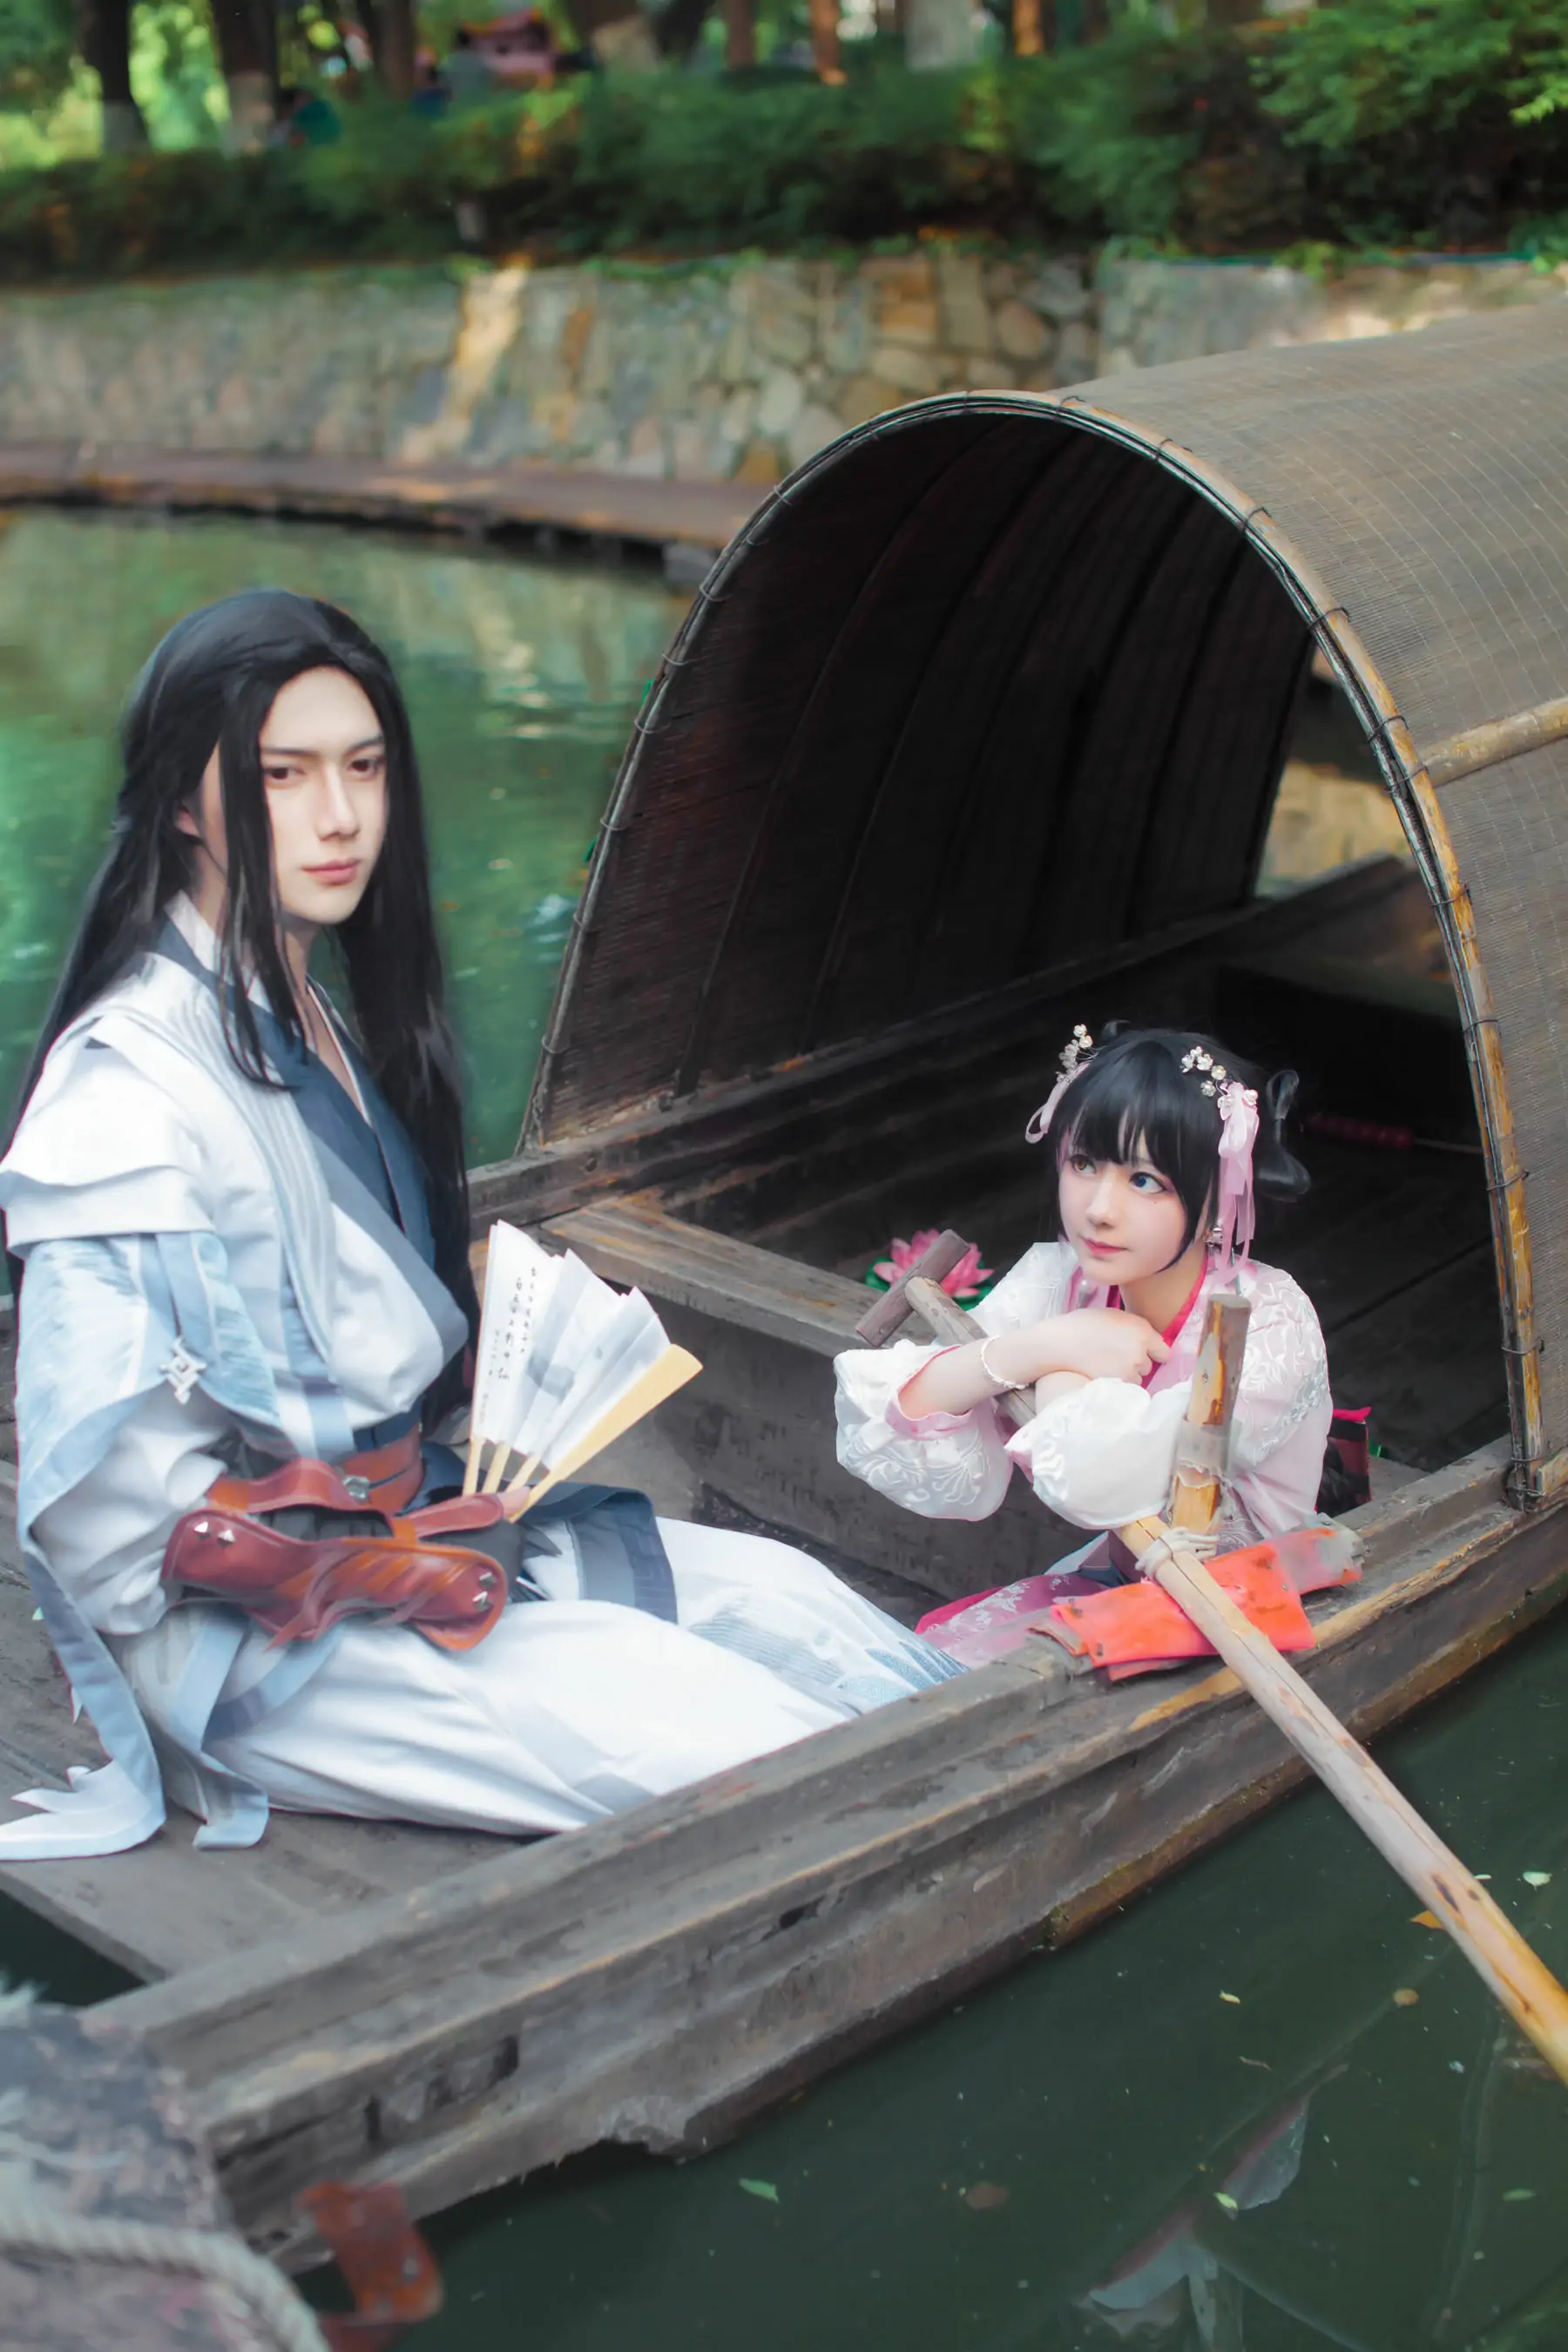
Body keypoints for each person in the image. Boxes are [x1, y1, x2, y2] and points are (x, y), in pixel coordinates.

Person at [0, 591, 957, 1860]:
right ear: (184, 799)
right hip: (260, 1641)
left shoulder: (309, 1012)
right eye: (283, 775)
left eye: (363, 768)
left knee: (801, 1608)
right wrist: (368, 1565)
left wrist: (420, 1533)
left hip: (418, 1533)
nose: (340, 816)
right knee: (758, 1748)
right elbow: (107, 1532)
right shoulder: (128, 1092)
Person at [834, 1024, 1334, 1665]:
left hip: (1246, 1622)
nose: (1099, 1209)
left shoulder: (1268, 1323)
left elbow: (1093, 1481)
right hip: (1128, 1593)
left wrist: (1059, 1370)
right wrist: (1050, 1344)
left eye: (1145, 1180)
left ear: (1218, 1199)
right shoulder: (1063, 1278)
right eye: (1084, 1163)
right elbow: (905, 1409)